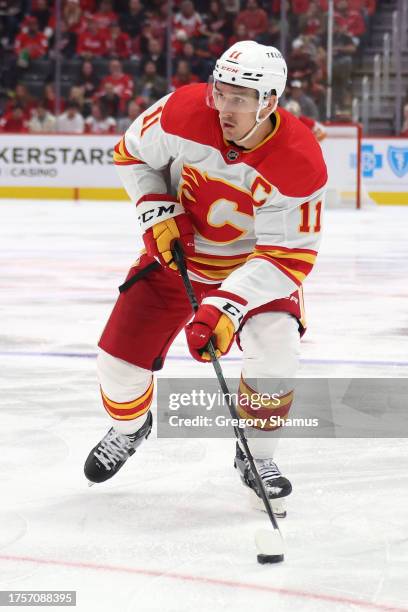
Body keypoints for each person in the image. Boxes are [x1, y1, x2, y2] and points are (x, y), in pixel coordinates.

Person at [84, 40, 327, 517]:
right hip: (178, 258)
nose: (224, 107)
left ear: (269, 103)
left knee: (276, 350)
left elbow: (288, 258)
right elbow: (133, 156)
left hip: (255, 269)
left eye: (240, 98)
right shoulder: (181, 111)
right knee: (115, 364)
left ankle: (256, 455)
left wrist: (227, 306)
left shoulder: (300, 161)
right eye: (221, 91)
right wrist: (156, 210)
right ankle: (131, 427)